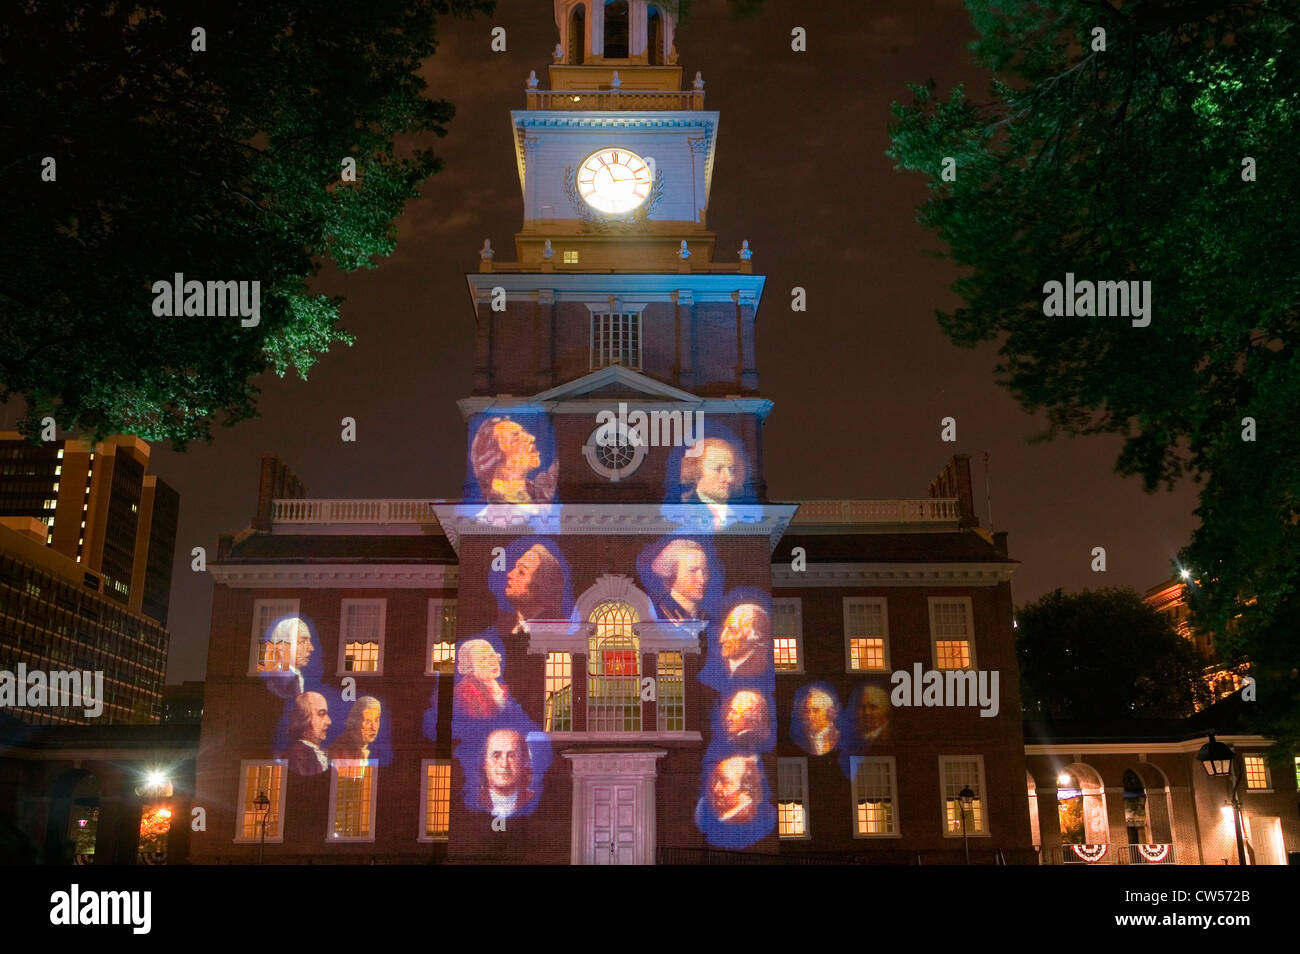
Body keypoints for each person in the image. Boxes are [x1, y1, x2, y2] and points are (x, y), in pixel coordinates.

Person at [471, 417, 557, 504]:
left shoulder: (545, 491)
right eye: (516, 437)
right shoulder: (487, 512)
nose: (531, 438)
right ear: (494, 455)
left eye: (525, 432)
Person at [679, 437, 744, 526]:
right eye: (717, 469)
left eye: (731, 469)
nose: (729, 479)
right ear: (695, 471)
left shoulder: (742, 511)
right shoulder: (682, 510)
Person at [503, 543, 565, 632]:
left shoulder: (553, 631)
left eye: (521, 572)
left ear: (541, 586)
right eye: (515, 568)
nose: (509, 574)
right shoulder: (508, 624)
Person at [478, 728, 534, 818]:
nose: (504, 764)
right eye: (496, 756)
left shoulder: (534, 801)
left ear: (523, 761)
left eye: (511, 756)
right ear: (484, 762)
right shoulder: (473, 800)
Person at [648, 540, 708, 621]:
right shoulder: (656, 615)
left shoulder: (706, 617)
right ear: (671, 573)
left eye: (705, 571)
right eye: (693, 571)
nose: (702, 580)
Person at [327, 697, 382, 778]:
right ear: (355, 722)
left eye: (377, 720)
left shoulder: (373, 749)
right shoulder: (338, 752)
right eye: (367, 722)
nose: (374, 727)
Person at [455, 639, 511, 718]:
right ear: (470, 667)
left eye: (492, 656)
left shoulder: (504, 689)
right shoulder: (464, 693)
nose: (492, 662)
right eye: (483, 659)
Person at [262, 617, 314, 698]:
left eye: (308, 641)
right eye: (302, 642)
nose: (311, 648)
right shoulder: (285, 681)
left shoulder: (294, 677)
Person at [717, 603, 771, 679]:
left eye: (733, 631)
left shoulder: (763, 669)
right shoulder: (716, 667)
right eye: (724, 628)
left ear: (757, 636)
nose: (722, 639)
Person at [286, 692, 330, 776]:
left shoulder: (315, 753)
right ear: (304, 718)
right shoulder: (297, 757)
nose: (328, 721)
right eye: (321, 714)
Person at [708, 755, 760, 825]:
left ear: (745, 788)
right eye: (715, 780)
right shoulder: (710, 810)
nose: (715, 789)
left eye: (726, 782)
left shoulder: (749, 817)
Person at [799, 687, 840, 756]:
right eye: (807, 711)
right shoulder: (802, 740)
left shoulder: (837, 737)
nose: (810, 716)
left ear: (828, 712)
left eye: (816, 710)